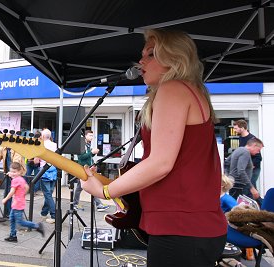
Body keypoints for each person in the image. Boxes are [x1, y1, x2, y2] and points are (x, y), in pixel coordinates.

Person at [81, 29, 227, 267]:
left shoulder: (173, 89)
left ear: (175, 59)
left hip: (180, 229)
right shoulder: (192, 91)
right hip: (196, 228)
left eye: (151, 54)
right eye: (142, 55)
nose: (141, 61)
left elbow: (160, 163)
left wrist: (106, 191)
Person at [2, 162, 44, 242]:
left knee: (20, 222)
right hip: (19, 203)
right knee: (12, 219)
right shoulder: (21, 179)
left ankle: (37, 226)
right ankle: (13, 235)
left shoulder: (15, 181)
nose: (13, 174)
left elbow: (12, 192)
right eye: (11, 171)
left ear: (20, 171)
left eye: (15, 172)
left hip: (17, 204)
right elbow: (27, 187)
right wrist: (22, 195)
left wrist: (5, 199)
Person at [74, 130, 109, 212]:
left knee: (82, 188)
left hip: (87, 169)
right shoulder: (82, 145)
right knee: (87, 187)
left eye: (92, 136)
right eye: (90, 135)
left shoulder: (88, 145)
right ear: (85, 136)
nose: (91, 137)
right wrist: (91, 153)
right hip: (83, 169)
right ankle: (97, 204)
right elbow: (81, 157)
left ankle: (75, 204)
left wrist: (93, 154)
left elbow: (88, 156)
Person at [0, 145, 26, 218]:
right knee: (7, 192)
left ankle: (17, 214)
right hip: (9, 174)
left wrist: (12, 172)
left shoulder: (17, 148)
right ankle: (8, 214)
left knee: (16, 194)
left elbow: (16, 162)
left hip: (17, 174)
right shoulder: (4, 148)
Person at [233, 119, 262, 189]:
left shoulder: (252, 139)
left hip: (254, 168)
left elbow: (259, 157)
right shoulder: (240, 138)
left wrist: (251, 165)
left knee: (251, 187)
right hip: (246, 167)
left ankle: (258, 200)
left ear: (242, 128)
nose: (234, 130)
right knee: (248, 188)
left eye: (236, 128)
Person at [38, 129, 58, 224]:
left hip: (44, 171)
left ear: (42, 136)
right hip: (53, 170)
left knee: (47, 194)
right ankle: (44, 212)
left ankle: (54, 215)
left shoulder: (40, 145)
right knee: (49, 193)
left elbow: (36, 161)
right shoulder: (54, 145)